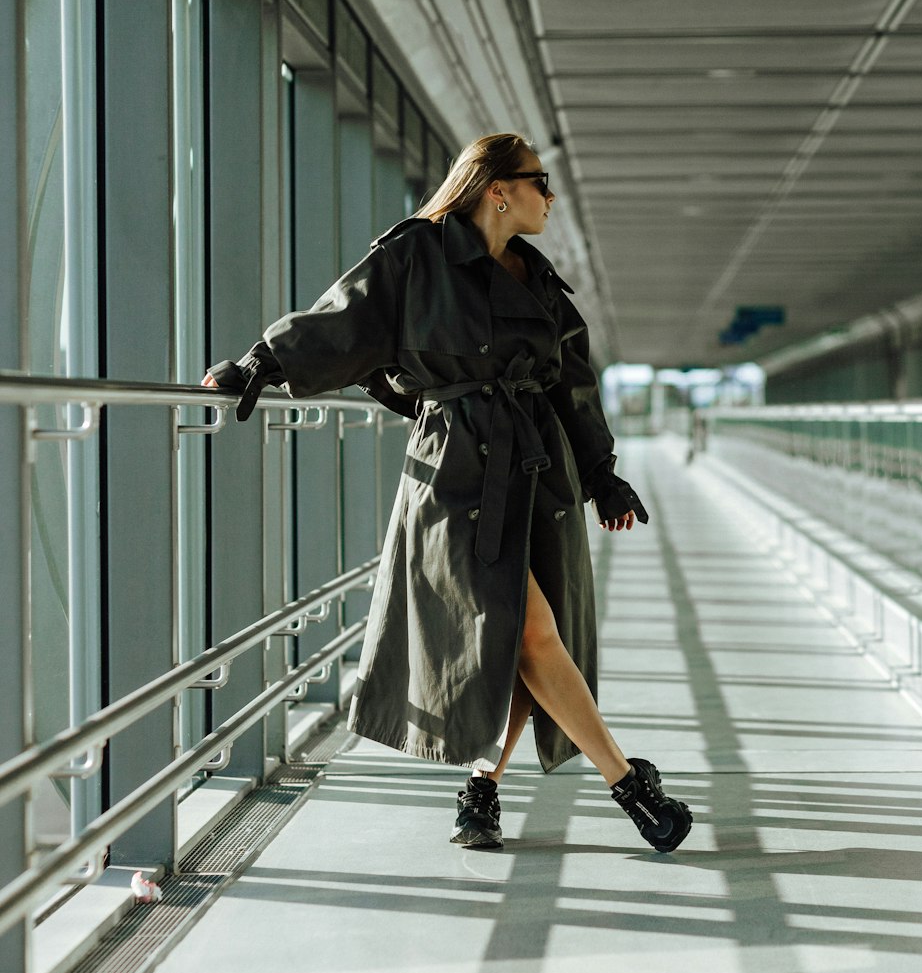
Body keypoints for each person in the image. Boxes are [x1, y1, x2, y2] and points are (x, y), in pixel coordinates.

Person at [203, 133, 691, 854]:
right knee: (523, 629)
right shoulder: (417, 253)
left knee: (523, 638)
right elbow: (347, 317)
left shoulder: (539, 281)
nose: (550, 197)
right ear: (498, 188)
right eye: (540, 182)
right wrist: (262, 363)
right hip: (455, 467)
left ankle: (483, 788)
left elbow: (571, 386)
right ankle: (627, 781)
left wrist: (601, 474)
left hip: (537, 469)